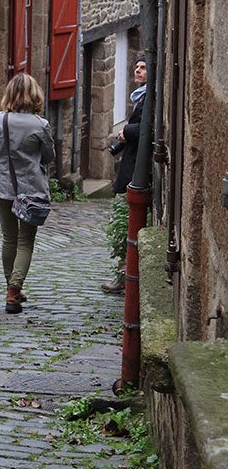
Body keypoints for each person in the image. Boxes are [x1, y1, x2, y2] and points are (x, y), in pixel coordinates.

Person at [0, 72, 55, 314]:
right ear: (34, 95)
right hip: (31, 191)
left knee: (9, 238)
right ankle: (14, 290)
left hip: (4, 188)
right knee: (25, 241)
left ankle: (10, 287)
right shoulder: (40, 125)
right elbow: (49, 157)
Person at [102, 56, 147, 295]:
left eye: (142, 68)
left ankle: (125, 277)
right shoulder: (141, 95)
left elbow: (147, 127)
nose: (137, 71)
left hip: (136, 167)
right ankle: (123, 275)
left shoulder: (150, 96)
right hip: (132, 162)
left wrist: (126, 132)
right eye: (136, 67)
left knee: (126, 224)